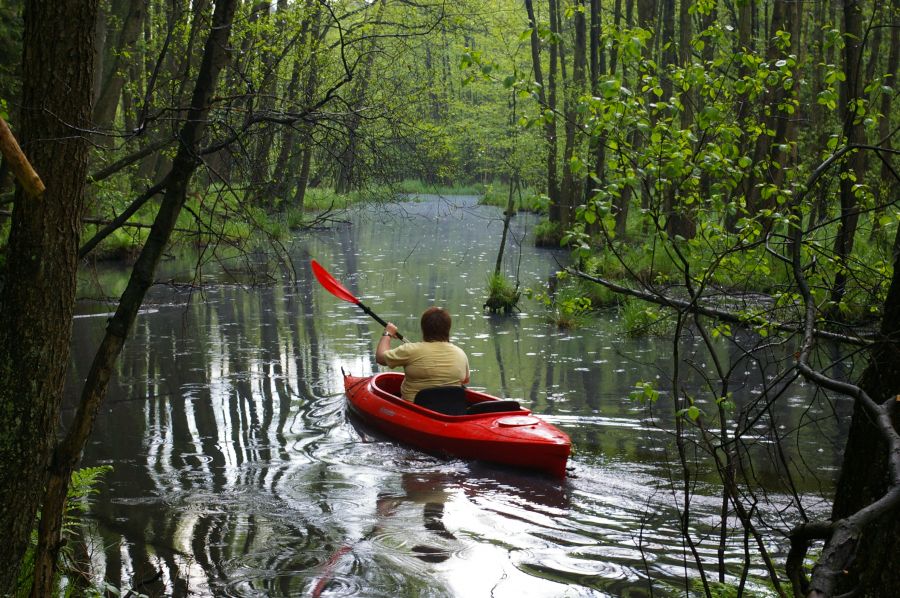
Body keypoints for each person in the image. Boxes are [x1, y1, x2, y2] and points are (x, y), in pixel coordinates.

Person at [375, 306, 470, 413]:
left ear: (423, 328)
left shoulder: (410, 350)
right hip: (452, 412)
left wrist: (388, 333)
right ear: (448, 329)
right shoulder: (461, 353)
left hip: (416, 412)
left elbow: (380, 357)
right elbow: (465, 380)